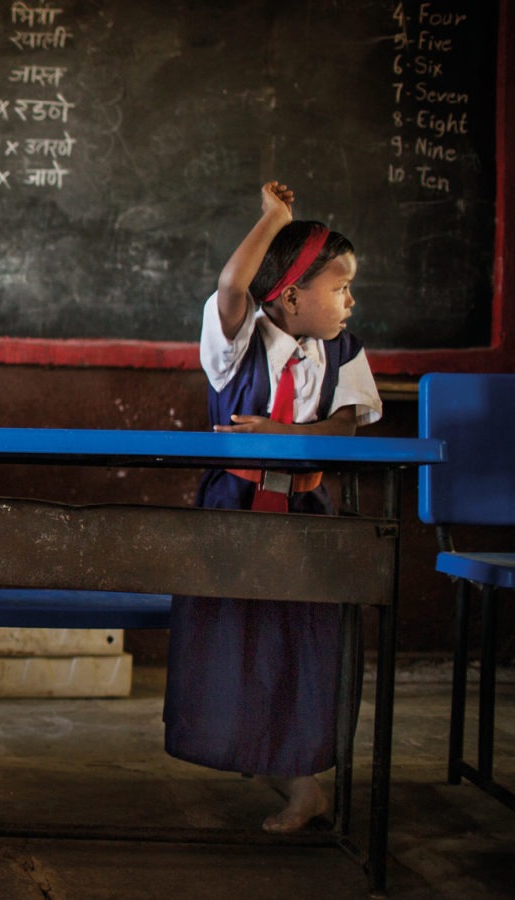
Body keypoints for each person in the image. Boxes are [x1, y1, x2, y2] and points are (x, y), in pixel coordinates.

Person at [163, 181, 382, 833]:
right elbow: (233, 288)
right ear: (290, 294)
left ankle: (302, 782)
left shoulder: (340, 350)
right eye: (339, 287)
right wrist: (275, 219)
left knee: (301, 648)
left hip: (306, 514)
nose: (350, 301)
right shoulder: (236, 343)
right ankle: (271, 766)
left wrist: (287, 436)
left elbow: (347, 426)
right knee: (235, 646)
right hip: (233, 512)